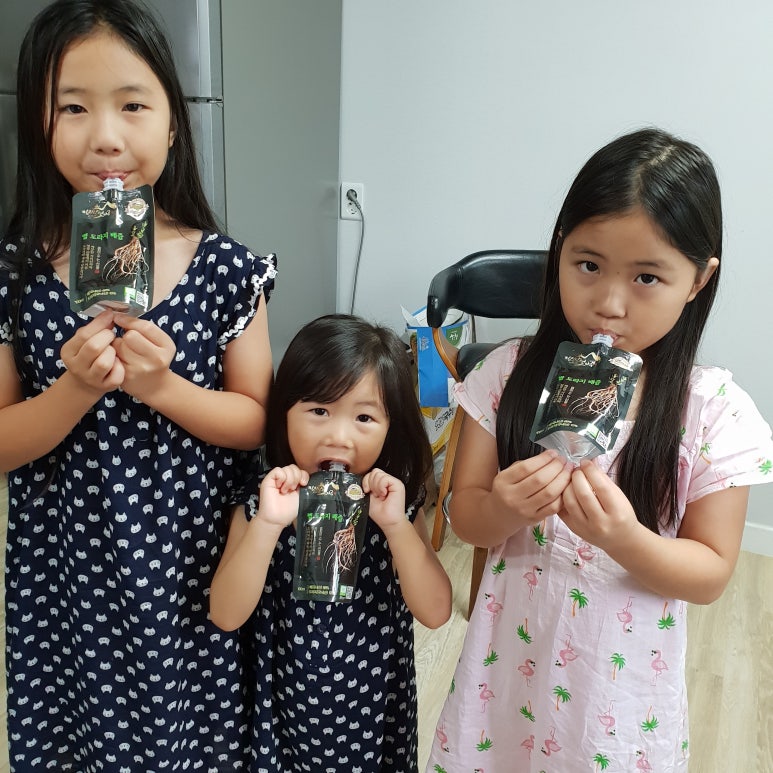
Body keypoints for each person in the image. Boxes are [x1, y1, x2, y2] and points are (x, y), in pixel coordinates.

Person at [426, 127, 773, 772]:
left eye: (647, 277)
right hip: (509, 666)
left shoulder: (713, 413)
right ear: (559, 251)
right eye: (587, 265)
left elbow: (710, 573)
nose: (609, 304)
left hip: (620, 690)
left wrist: (625, 538)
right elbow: (465, 518)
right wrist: (504, 508)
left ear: (698, 280)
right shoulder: (506, 376)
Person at [0, 1, 276, 769]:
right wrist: (74, 391)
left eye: (132, 105)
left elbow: (258, 418)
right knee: (87, 739)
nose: (106, 136)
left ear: (173, 123)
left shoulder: (227, 270)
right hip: (70, 574)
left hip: (195, 559)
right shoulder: (16, 275)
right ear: (37, 125)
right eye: (72, 108)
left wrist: (164, 389)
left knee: (197, 734)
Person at [210, 314, 452, 772]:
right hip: (280, 701)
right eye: (319, 410)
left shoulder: (394, 507)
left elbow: (437, 611)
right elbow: (224, 614)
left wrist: (397, 527)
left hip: (372, 702)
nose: (339, 436)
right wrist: (268, 524)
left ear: (390, 426)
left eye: (364, 417)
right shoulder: (262, 502)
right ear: (284, 413)